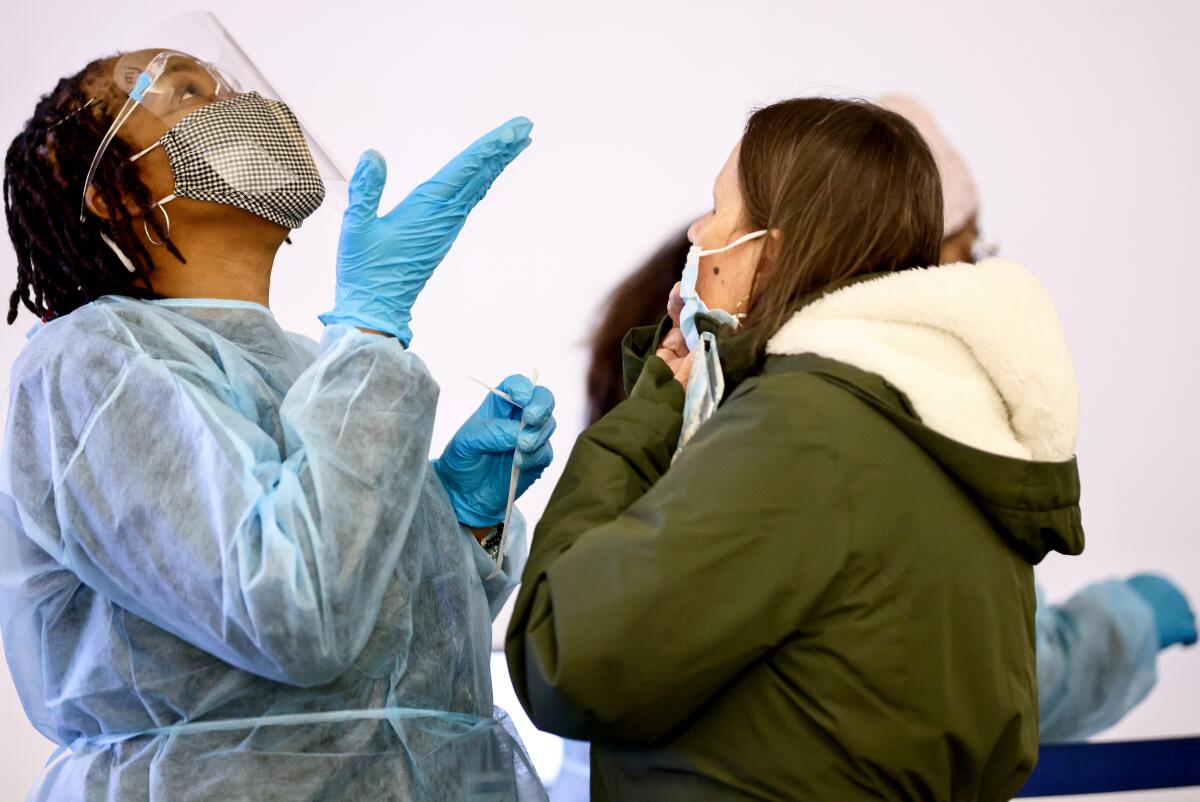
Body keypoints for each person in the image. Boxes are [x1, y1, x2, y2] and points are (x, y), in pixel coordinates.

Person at [0, 33, 553, 802]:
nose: (239, 100)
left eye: (226, 82)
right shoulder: (84, 365)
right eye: (186, 91)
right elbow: (291, 611)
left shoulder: (307, 370)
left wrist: (462, 529)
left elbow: (391, 649)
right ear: (107, 192)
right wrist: (368, 332)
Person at [507, 96, 1084, 801]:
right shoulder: (947, 432)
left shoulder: (802, 433)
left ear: (769, 253)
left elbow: (562, 656)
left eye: (719, 208)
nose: (697, 230)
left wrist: (656, 403)